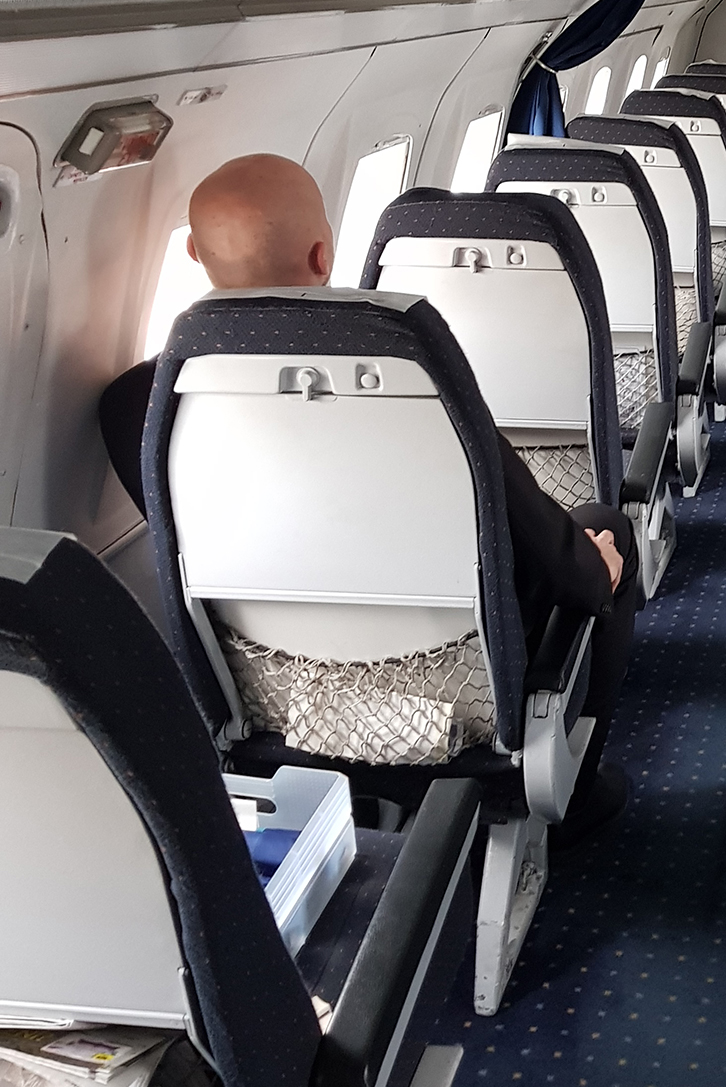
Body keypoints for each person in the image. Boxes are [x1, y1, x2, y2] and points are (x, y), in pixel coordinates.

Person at [98, 153, 635, 845]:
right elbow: (528, 532)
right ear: (323, 254)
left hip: (271, 705)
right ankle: (574, 794)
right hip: (466, 699)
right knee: (603, 527)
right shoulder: (413, 367)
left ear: (194, 254)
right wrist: (594, 570)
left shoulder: (137, 409)